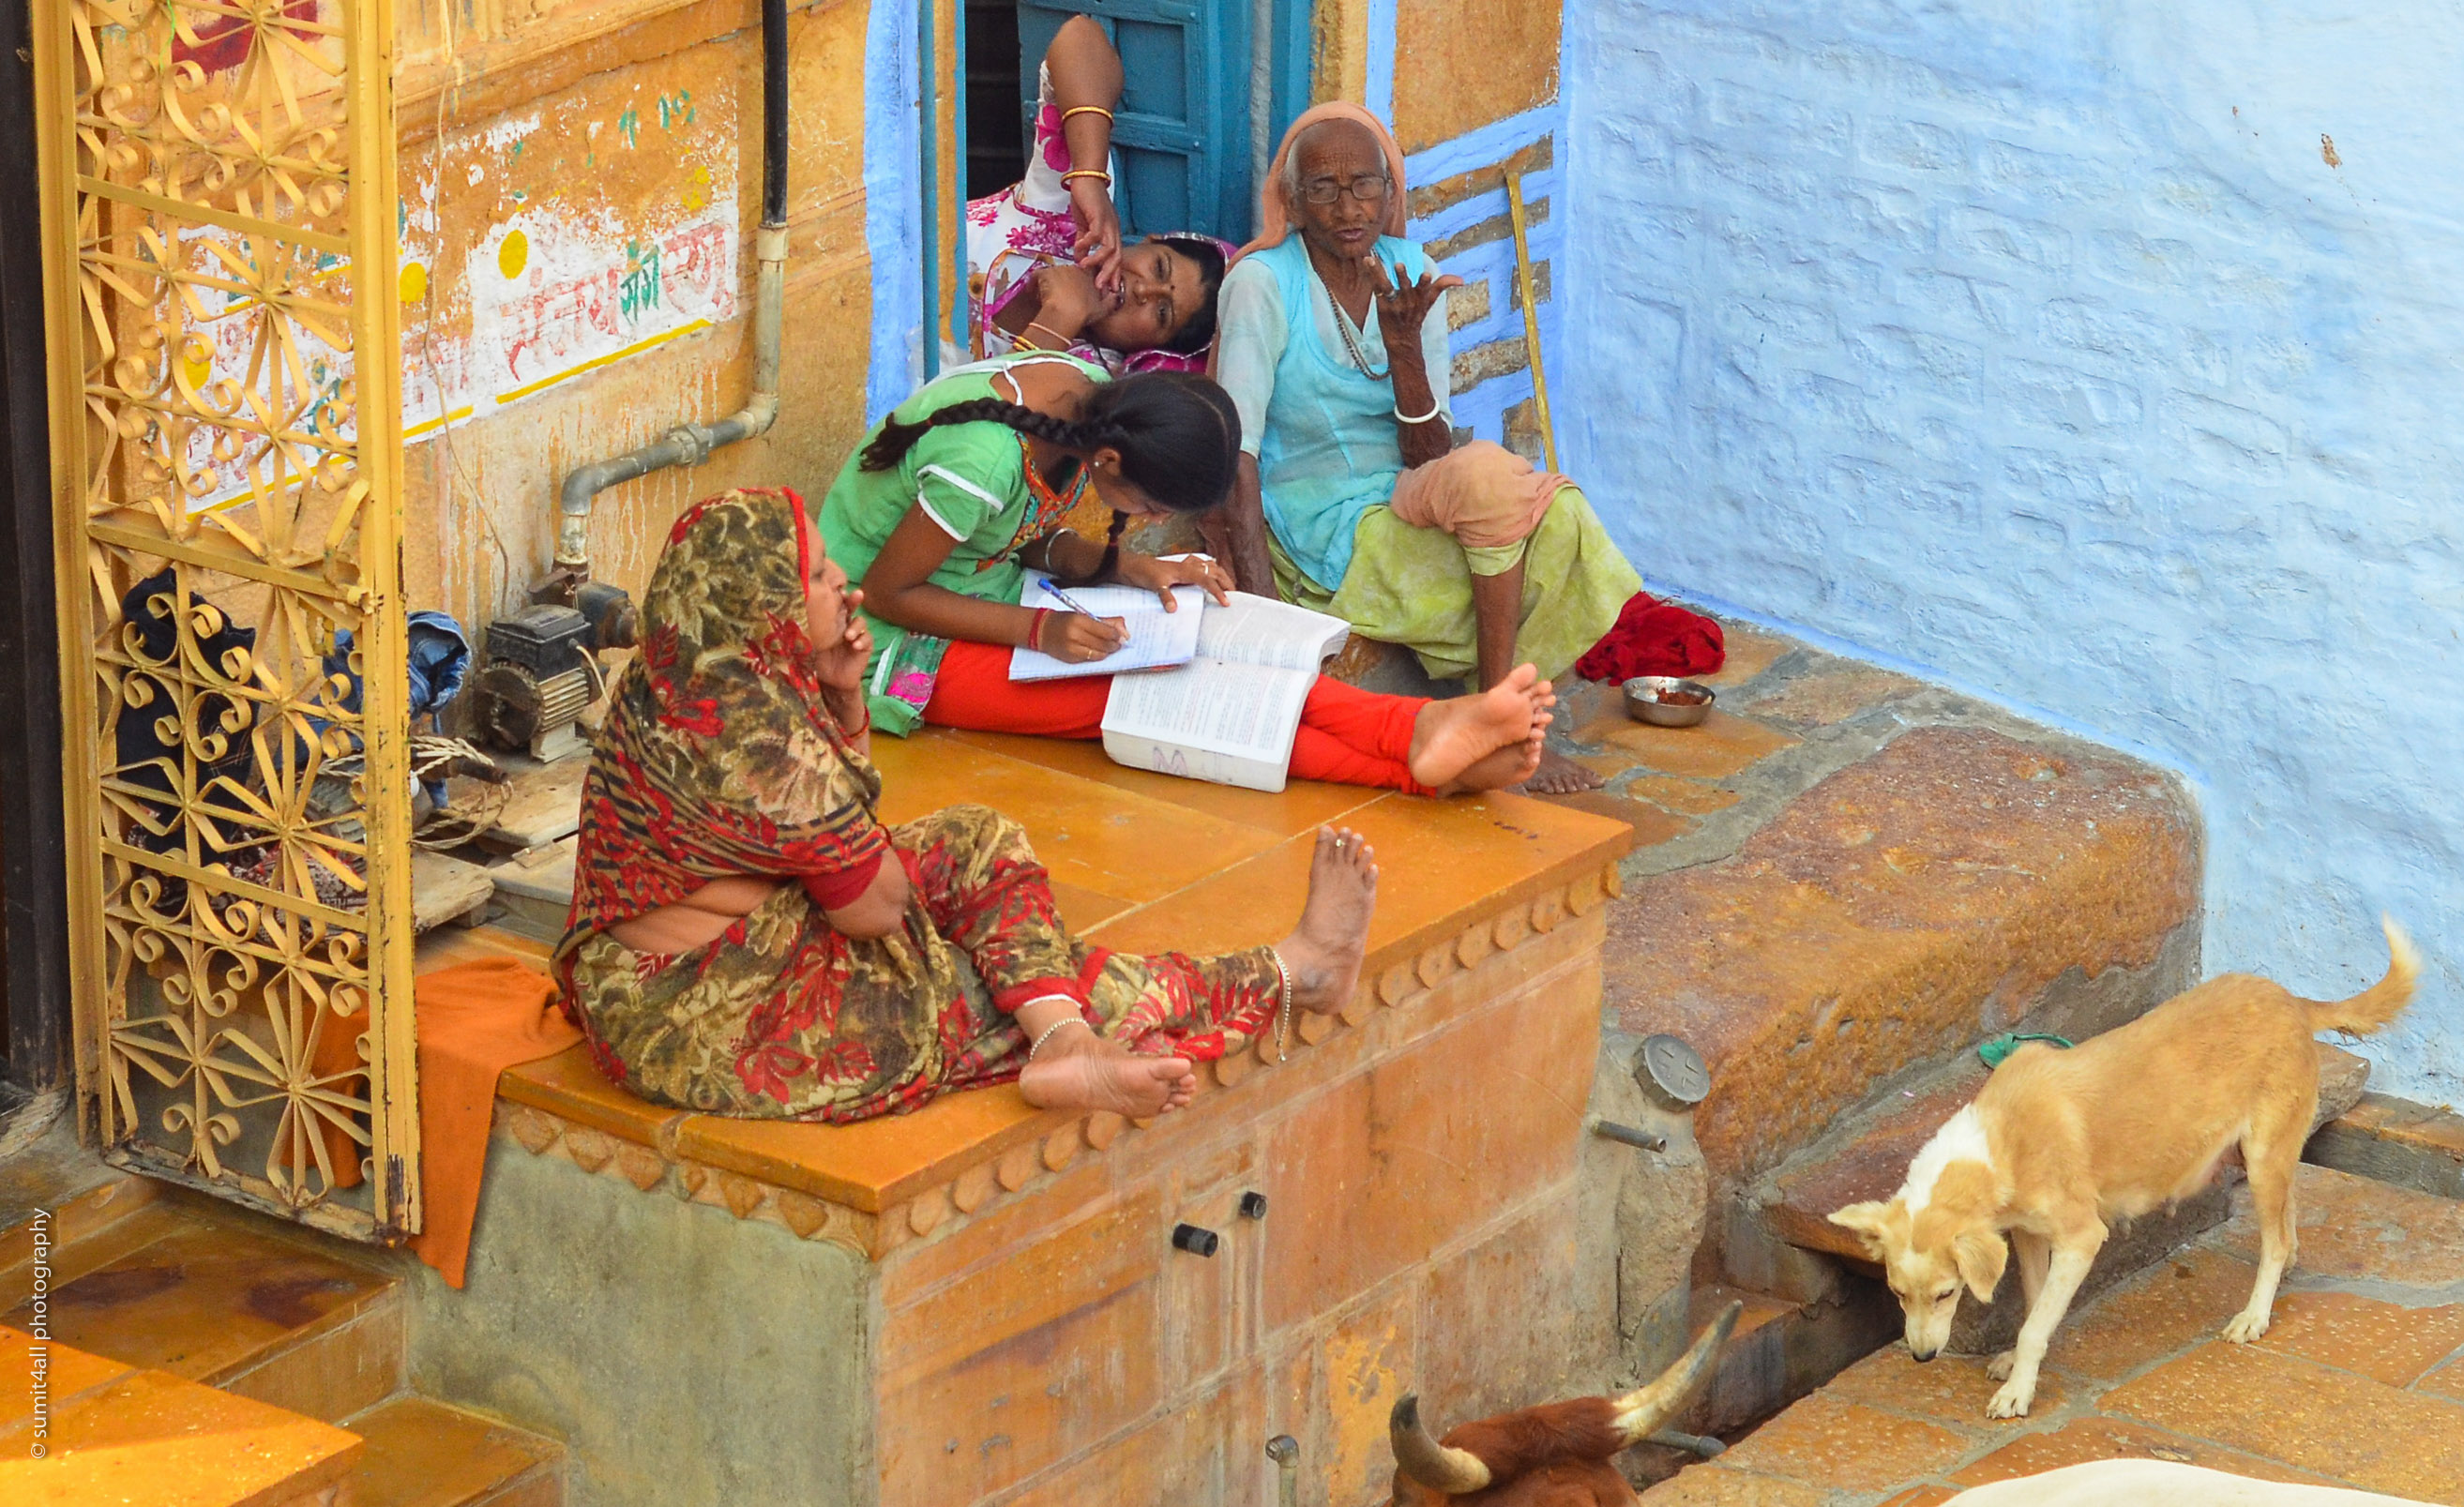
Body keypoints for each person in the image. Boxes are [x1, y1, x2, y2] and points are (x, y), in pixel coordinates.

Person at [556, 486, 1386, 1123]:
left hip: (685, 954)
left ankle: (1059, 1039)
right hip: (716, 1013)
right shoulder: (762, 743)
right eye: (814, 574)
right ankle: (1290, 973)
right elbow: (874, 909)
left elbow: (825, 836)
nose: (840, 580)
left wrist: (846, 702)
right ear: (764, 610)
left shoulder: (683, 666)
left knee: (976, 843)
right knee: (998, 981)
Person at [814, 355, 1554, 794]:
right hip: (883, 645)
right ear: (1108, 464)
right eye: (1151, 507)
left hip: (982, 596)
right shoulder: (980, 460)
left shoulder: (1093, 408)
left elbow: (1018, 541)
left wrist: (1131, 565)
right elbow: (888, 592)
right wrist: (1040, 629)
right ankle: (1418, 762)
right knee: (1157, 702)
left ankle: (1419, 732)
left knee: (1217, 645)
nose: (1147, 515)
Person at [1205, 105, 1651, 794]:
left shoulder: (1410, 269)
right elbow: (1235, 448)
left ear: (1391, 193)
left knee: (1557, 523)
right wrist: (1267, 610)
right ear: (1291, 202)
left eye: (1364, 185)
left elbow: (1427, 454)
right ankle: (1502, 722)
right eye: (1323, 188)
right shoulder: (1261, 284)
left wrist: (1405, 348)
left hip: (1404, 491)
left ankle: (1498, 713)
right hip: (1320, 519)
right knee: (1492, 525)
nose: (1348, 207)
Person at [965, 13, 1226, 372]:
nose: (1143, 291)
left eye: (1162, 312)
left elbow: (988, 419)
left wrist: (1062, 313)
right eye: (1158, 267)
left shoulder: (1095, 383)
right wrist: (1089, 176)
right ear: (1148, 241)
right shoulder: (1073, 223)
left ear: (1153, 349)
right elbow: (1080, 36)